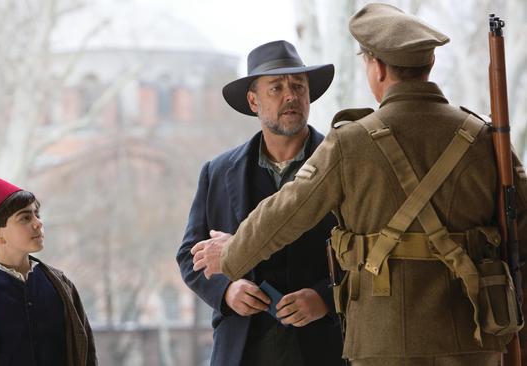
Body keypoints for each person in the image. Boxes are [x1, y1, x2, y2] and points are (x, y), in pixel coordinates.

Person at [191, 4, 527, 366]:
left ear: (378, 68)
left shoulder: (350, 142)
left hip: (384, 341)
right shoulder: (482, 138)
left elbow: (285, 213)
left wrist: (230, 253)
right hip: (475, 336)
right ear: (429, 65)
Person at [176, 40, 344, 366]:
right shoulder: (218, 171)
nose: (290, 95)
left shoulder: (342, 164)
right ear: (253, 101)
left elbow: (369, 256)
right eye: (276, 88)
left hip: (324, 347)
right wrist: (226, 290)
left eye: (298, 86)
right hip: (241, 350)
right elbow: (189, 255)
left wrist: (325, 299)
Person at [0, 178, 97, 366]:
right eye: (25, 217)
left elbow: (86, 355)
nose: (38, 223)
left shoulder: (62, 284)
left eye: (36, 214)